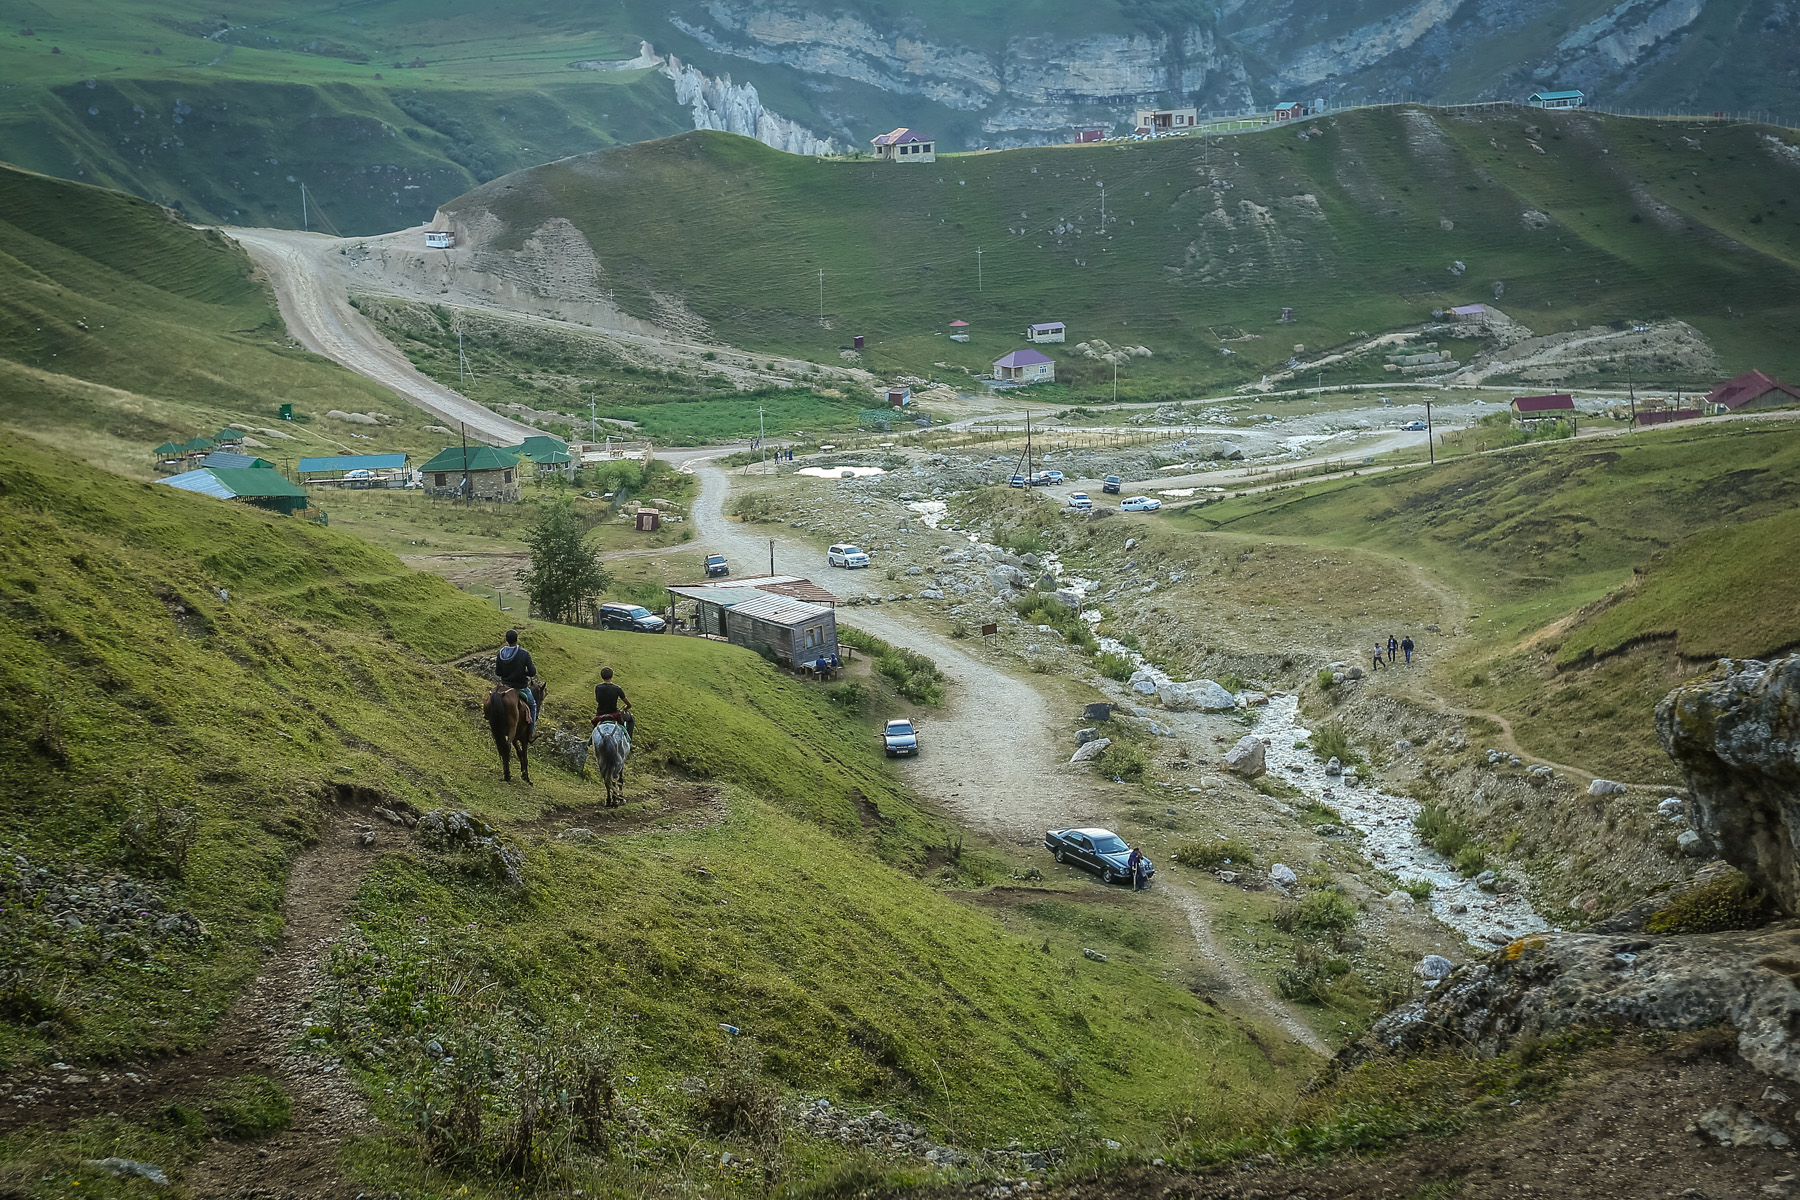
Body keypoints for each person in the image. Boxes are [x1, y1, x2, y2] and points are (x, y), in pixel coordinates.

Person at [496, 629, 538, 727]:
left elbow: (497, 672)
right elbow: (532, 672)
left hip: (505, 686)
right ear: (516, 639)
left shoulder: (500, 654)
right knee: (533, 705)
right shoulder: (524, 654)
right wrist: (524, 673)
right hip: (520, 687)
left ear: (506, 640)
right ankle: (531, 733)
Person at [594, 666, 635, 738]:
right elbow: (628, 704)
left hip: (600, 714)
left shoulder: (598, 687)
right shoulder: (617, 688)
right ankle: (629, 740)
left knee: (595, 728)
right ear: (612, 676)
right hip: (614, 714)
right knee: (631, 719)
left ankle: (591, 740)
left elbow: (598, 700)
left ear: (602, 676)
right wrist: (626, 708)